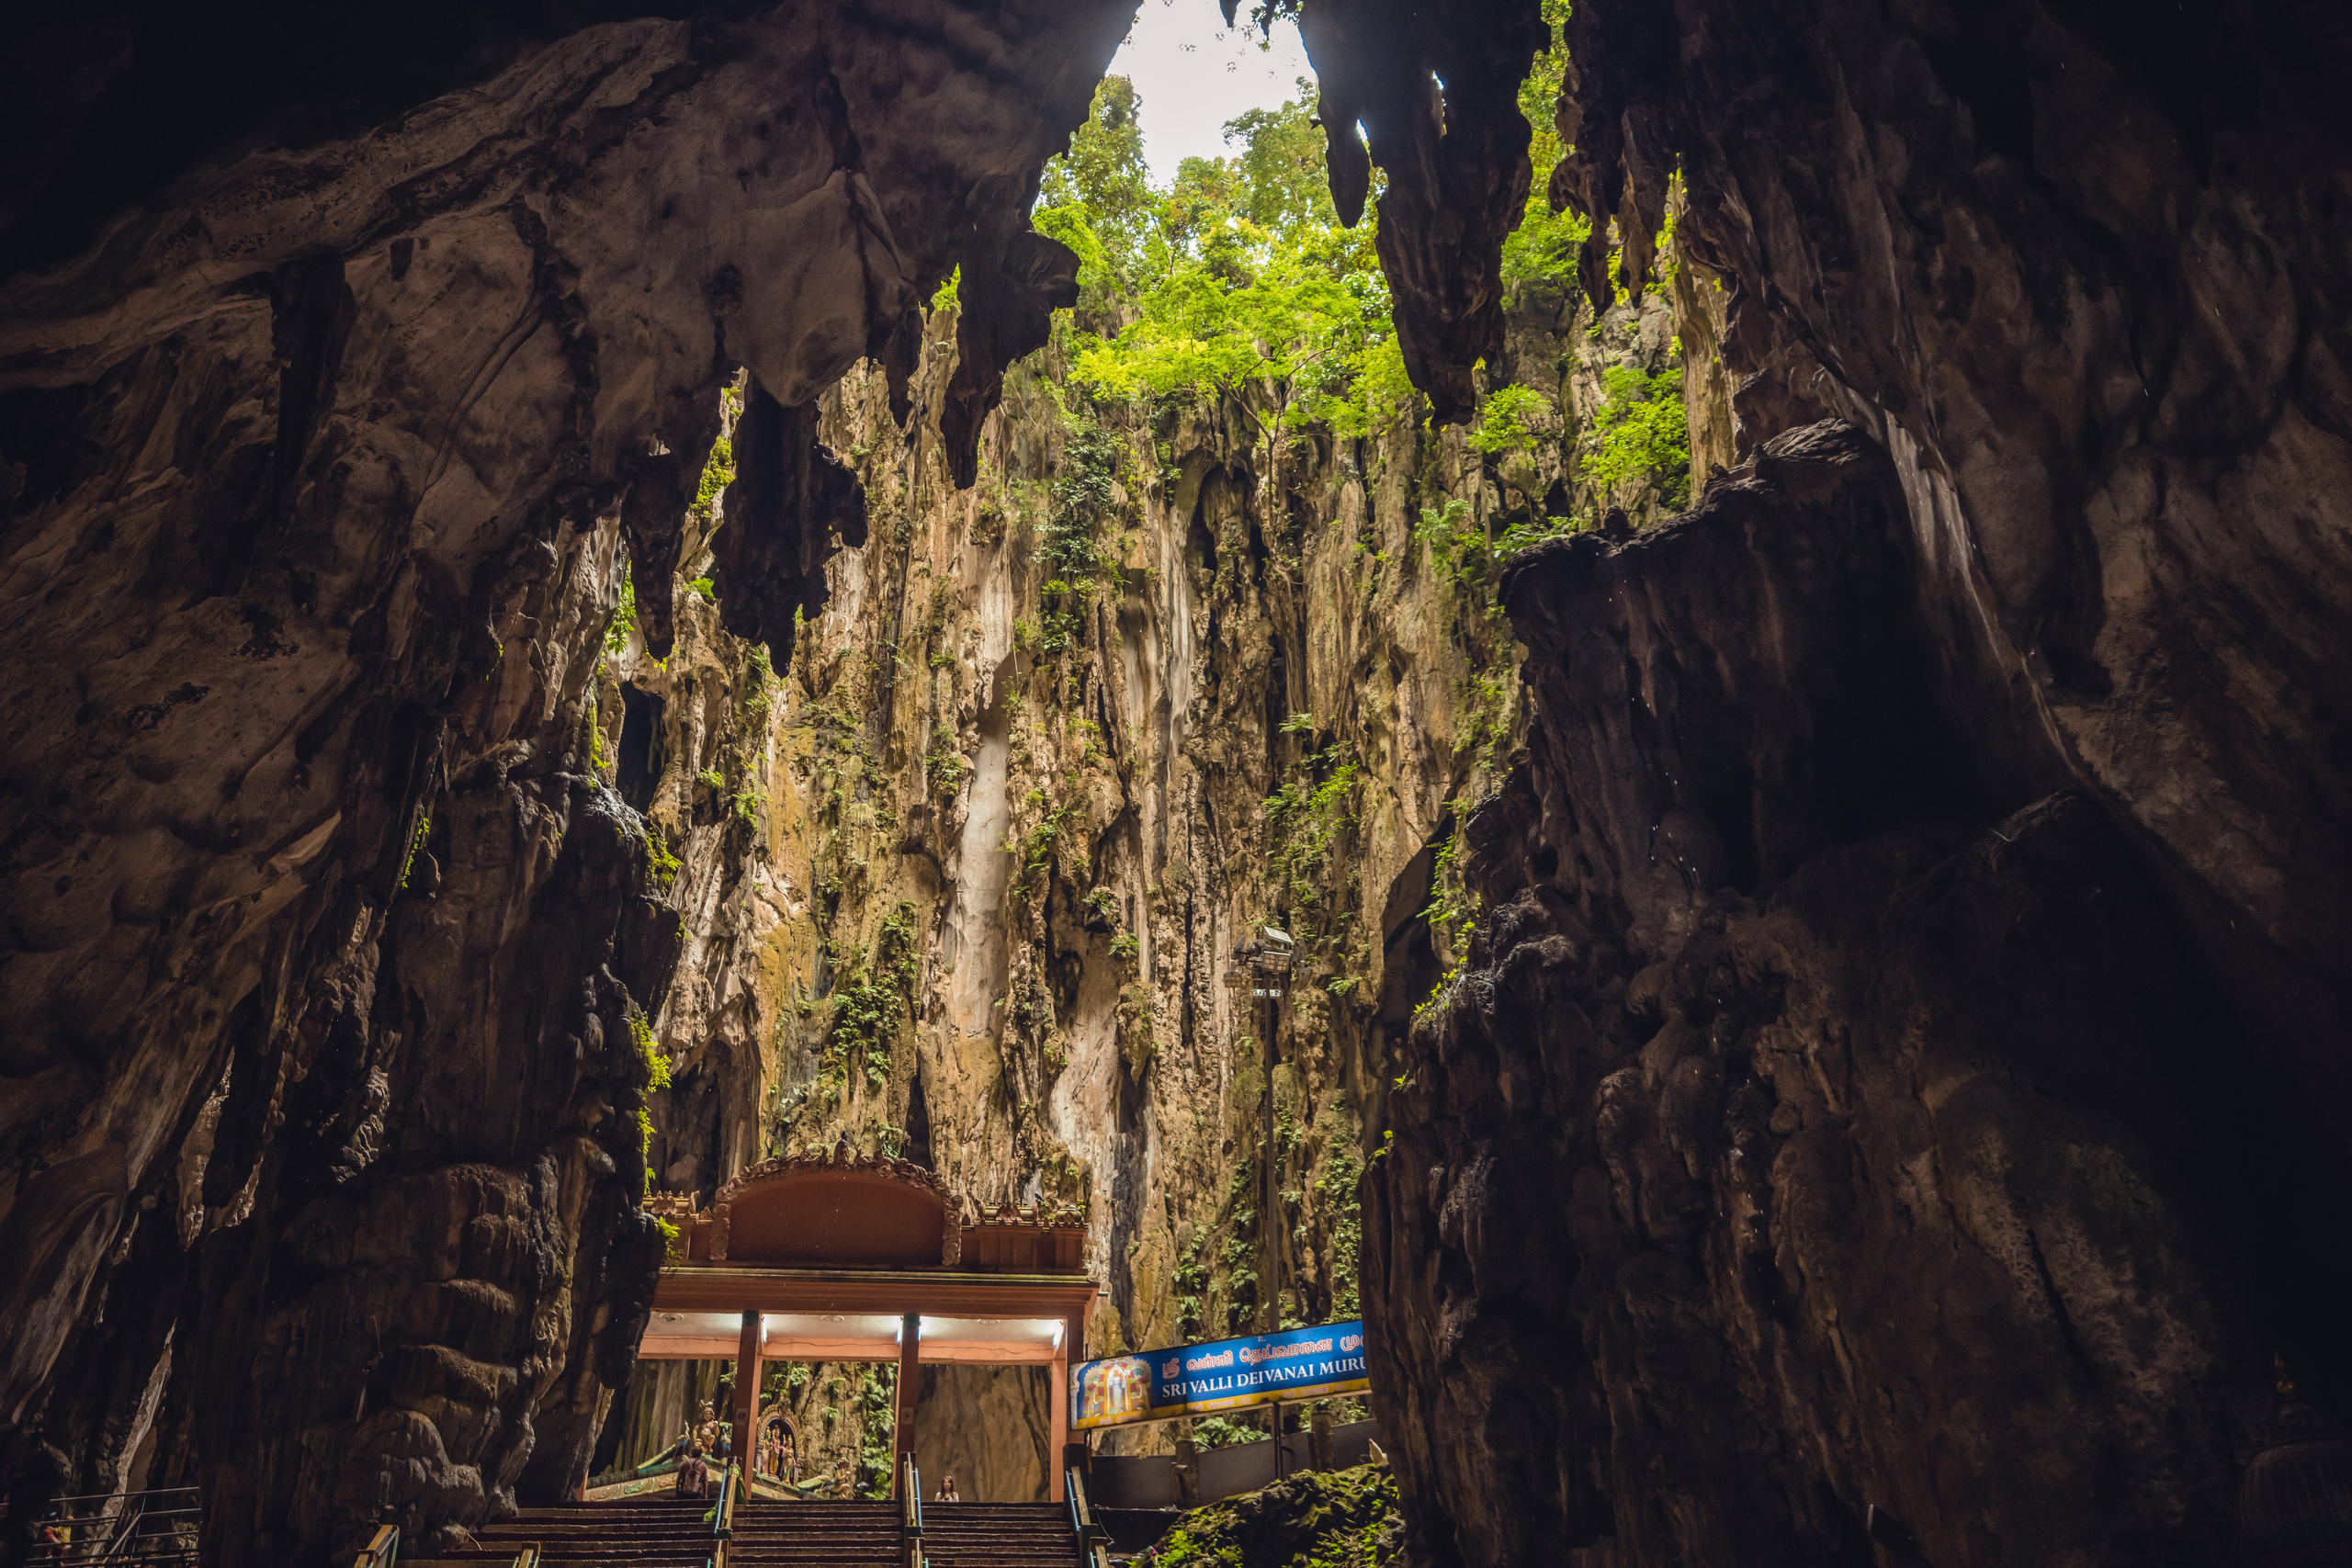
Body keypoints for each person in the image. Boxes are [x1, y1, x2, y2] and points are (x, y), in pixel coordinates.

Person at [676, 1438, 711, 1502]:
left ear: (691, 1453)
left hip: (685, 1492)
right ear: (700, 1454)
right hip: (697, 1492)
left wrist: (677, 1490)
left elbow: (679, 1478)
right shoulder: (703, 1465)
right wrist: (705, 1494)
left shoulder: (685, 1463)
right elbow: (705, 1480)